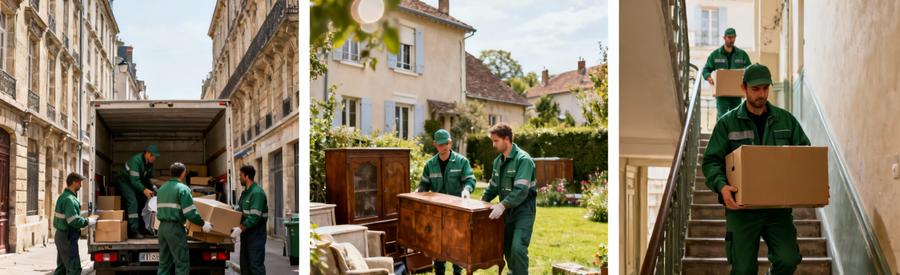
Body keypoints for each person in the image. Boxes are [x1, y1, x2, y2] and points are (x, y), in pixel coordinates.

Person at [702, 63, 808, 275]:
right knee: (742, 269)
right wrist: (722, 186)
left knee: (788, 259)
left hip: (777, 209)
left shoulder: (786, 121)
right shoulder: (727, 124)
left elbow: (804, 158)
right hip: (742, 210)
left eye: (765, 88)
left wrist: (812, 183)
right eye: (755, 89)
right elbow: (711, 161)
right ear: (743, 88)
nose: (761, 94)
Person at [417, 129, 476, 275]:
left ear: (450, 143)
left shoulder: (462, 162)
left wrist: (467, 189)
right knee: (438, 248)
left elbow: (470, 179)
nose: (443, 148)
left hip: (457, 212)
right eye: (439, 145)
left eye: (445, 144)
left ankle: (457, 272)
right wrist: (418, 192)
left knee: (457, 247)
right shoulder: (430, 165)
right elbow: (424, 185)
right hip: (437, 213)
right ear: (435, 145)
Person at [481, 123, 536, 274]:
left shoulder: (523, 160)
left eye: (496, 140)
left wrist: (502, 205)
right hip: (506, 213)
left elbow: (521, 190)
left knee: (518, 248)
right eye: (492, 141)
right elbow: (493, 187)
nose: (493, 144)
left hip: (523, 212)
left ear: (507, 139)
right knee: (507, 249)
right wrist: (480, 202)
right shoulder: (498, 162)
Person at [156, 162, 213, 275]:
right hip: (175, 229)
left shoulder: (161, 189)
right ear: (183, 173)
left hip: (162, 228)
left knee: (164, 264)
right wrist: (203, 224)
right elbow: (190, 213)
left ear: (171, 173)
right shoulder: (183, 189)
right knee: (181, 263)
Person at [702, 27, 753, 119]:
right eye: (729, 37)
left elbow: (750, 70)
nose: (731, 40)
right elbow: (706, 70)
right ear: (724, 38)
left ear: (735, 38)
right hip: (722, 94)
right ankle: (721, 133)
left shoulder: (742, 55)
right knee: (722, 117)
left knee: (736, 117)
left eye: (733, 37)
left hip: (736, 93)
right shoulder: (715, 54)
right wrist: (709, 77)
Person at [53, 172, 96, 275]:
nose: (81, 185)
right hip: (67, 237)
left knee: (62, 269)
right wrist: (87, 221)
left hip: (62, 236)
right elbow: (73, 220)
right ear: (73, 183)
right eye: (79, 182)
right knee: (74, 269)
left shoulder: (64, 196)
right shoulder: (69, 199)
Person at [230, 165, 268, 275]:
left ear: (247, 176)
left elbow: (254, 217)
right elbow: (239, 210)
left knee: (255, 265)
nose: (239, 178)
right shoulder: (245, 192)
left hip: (256, 234)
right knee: (245, 264)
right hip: (246, 234)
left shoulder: (257, 193)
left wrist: (241, 228)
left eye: (240, 175)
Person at [117, 145, 159, 239]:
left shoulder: (149, 164)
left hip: (135, 182)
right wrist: (144, 190)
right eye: (153, 156)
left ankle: (143, 228)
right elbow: (134, 181)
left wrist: (153, 188)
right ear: (147, 154)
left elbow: (147, 179)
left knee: (143, 202)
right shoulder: (136, 161)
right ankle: (133, 231)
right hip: (125, 182)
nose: (154, 158)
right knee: (133, 202)